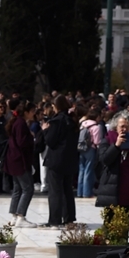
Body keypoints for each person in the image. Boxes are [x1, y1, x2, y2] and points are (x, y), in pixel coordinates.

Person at [96, 110, 129, 212]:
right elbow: (104, 160)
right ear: (115, 126)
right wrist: (116, 146)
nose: (124, 129)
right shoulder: (108, 140)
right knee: (110, 226)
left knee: (125, 226)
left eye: (127, 127)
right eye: (122, 126)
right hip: (111, 190)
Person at [41, 95, 78, 228]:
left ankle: (55, 220)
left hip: (56, 160)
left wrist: (45, 131)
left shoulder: (57, 121)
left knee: (55, 191)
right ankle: (69, 219)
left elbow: (51, 141)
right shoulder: (72, 120)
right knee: (67, 190)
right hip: (69, 160)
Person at [5, 100, 37, 227]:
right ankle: (21, 216)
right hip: (20, 161)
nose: (34, 114)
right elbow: (22, 143)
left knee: (18, 188)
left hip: (14, 160)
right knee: (28, 188)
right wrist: (31, 137)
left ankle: (14, 215)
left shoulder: (17, 122)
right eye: (32, 112)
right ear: (26, 112)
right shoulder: (21, 124)